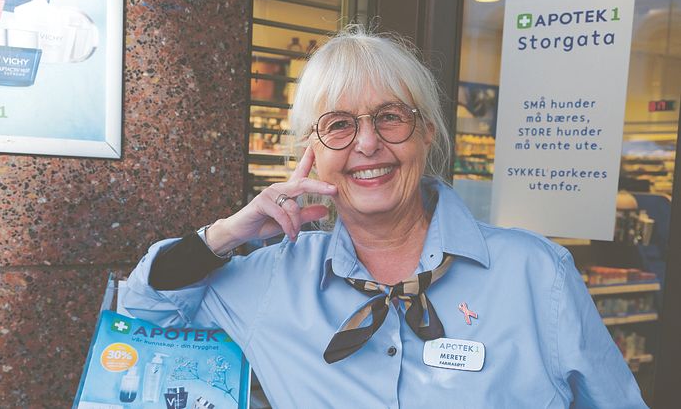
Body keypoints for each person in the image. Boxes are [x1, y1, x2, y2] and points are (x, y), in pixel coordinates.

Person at [124, 26, 647, 408]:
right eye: (339, 124)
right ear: (312, 150)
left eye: (391, 117)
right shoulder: (271, 279)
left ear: (428, 134)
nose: (368, 144)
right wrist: (226, 234)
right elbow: (143, 318)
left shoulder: (536, 274)